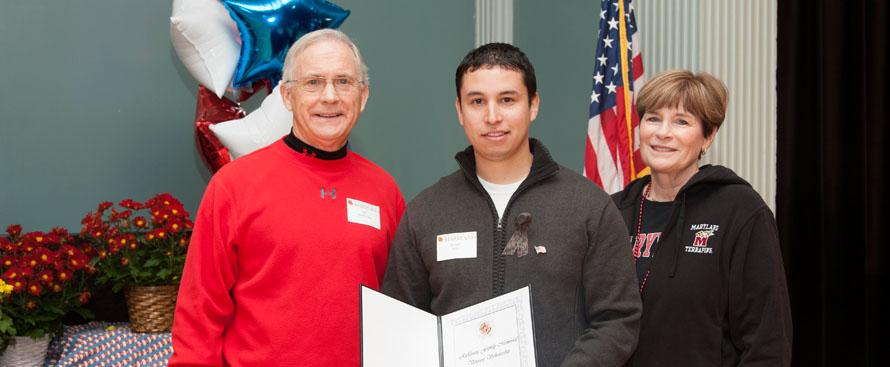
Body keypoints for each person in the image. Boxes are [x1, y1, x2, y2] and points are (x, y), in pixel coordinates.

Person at [382, 43, 641, 367]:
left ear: (533, 105)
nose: (493, 117)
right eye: (477, 101)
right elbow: (400, 325)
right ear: (460, 111)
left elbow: (618, 319)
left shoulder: (588, 207)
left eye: (507, 100)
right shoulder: (427, 212)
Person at [168, 29, 405, 366]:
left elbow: (401, 310)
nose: (329, 96)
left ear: (363, 96)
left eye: (343, 82)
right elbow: (198, 318)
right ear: (287, 96)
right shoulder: (234, 186)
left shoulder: (385, 191)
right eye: (312, 82)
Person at [611, 70, 792, 366]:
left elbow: (767, 341)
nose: (663, 133)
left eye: (681, 121)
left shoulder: (740, 211)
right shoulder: (613, 213)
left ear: (708, 136)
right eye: (653, 118)